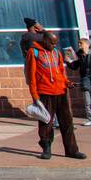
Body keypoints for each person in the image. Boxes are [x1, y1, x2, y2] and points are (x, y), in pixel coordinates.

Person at [26, 30, 86, 160]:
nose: (54, 45)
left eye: (55, 43)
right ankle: (46, 148)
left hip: (61, 91)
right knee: (46, 122)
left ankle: (71, 150)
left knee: (67, 122)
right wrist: (35, 96)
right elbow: (31, 76)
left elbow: (61, 71)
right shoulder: (34, 52)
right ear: (45, 40)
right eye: (52, 43)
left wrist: (67, 82)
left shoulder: (56, 53)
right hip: (45, 92)